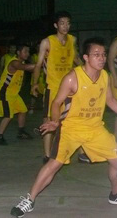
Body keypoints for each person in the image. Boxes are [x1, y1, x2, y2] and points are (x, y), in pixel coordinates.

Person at [10, 38, 117, 217]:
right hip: (71, 129)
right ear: (86, 57)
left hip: (95, 129)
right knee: (54, 164)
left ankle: (115, 194)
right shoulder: (73, 77)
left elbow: (110, 100)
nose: (102, 58)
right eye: (96, 55)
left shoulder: (105, 76)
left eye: (103, 54)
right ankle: (30, 199)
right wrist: (55, 121)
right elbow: (56, 102)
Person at [31, 11, 82, 163]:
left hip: (70, 87)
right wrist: (34, 84)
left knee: (74, 118)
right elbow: (38, 65)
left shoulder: (72, 40)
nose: (65, 26)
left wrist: (90, 71)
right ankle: (48, 155)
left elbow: (76, 58)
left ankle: (80, 151)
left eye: (68, 23)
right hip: (52, 87)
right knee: (49, 120)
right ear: (55, 25)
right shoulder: (47, 42)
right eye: (62, 23)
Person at [0, 43, 35, 145]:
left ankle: (21, 132)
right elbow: (25, 67)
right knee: (8, 115)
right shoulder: (14, 62)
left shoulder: (21, 62)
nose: (27, 54)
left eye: (28, 51)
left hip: (14, 93)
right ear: (18, 52)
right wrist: (41, 64)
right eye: (25, 51)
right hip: (5, 92)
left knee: (23, 110)